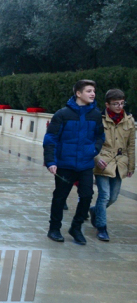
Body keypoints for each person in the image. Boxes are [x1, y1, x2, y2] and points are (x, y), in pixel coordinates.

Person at [43, 79, 104, 244]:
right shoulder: (62, 114)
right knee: (60, 197)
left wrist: (94, 150)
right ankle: (54, 228)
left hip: (85, 164)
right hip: (65, 163)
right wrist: (51, 161)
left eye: (93, 91)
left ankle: (76, 228)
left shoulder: (96, 115)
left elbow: (100, 136)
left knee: (87, 196)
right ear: (78, 93)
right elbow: (50, 139)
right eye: (89, 91)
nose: (93, 94)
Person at [89, 89, 135, 241]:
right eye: (116, 104)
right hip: (103, 160)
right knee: (104, 195)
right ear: (107, 104)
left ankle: (94, 211)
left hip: (120, 163)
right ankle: (102, 228)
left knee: (113, 197)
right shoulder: (98, 119)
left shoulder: (129, 120)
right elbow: (90, 140)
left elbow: (131, 146)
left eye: (122, 103)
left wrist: (131, 167)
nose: (119, 107)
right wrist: (96, 158)